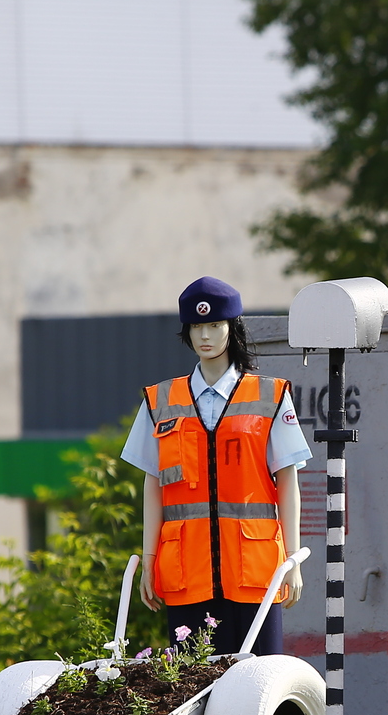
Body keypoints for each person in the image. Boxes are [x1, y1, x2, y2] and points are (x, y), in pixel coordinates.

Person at [118, 276, 310, 658]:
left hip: (256, 574)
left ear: (232, 328)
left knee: (257, 690)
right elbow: (152, 487)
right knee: (191, 696)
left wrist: (293, 559)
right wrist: (149, 560)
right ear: (186, 333)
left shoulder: (270, 396)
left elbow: (288, 483)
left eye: (214, 325)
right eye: (196, 327)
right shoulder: (160, 401)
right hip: (186, 574)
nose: (205, 335)